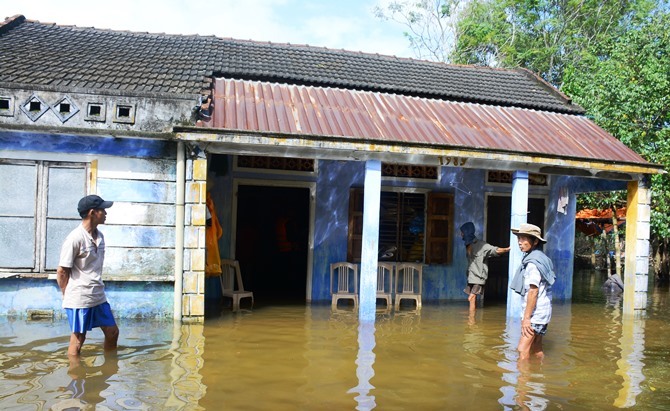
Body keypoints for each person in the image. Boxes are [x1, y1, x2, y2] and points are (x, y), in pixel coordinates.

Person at [57, 195, 119, 357]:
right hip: (79, 296)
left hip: (98, 294)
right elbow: (62, 271)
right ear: (92, 212)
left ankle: (110, 368)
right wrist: (66, 294)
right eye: (102, 210)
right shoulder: (75, 238)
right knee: (79, 339)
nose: (106, 213)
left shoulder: (100, 236)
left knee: (112, 332)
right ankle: (76, 377)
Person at [510, 223, 555, 361]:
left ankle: (523, 382)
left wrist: (527, 318)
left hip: (536, 314)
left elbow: (533, 292)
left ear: (535, 241)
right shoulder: (542, 258)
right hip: (544, 311)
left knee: (522, 350)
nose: (520, 242)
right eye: (519, 238)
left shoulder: (533, 264)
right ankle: (538, 378)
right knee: (536, 348)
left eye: (524, 239)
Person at [460, 222, 510, 312]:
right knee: (472, 299)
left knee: (471, 297)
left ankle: (471, 322)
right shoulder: (468, 245)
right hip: (471, 277)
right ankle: (471, 318)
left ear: (467, 232)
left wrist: (507, 249)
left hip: (478, 277)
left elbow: (495, 250)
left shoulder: (481, 245)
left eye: (462, 232)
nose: (461, 234)